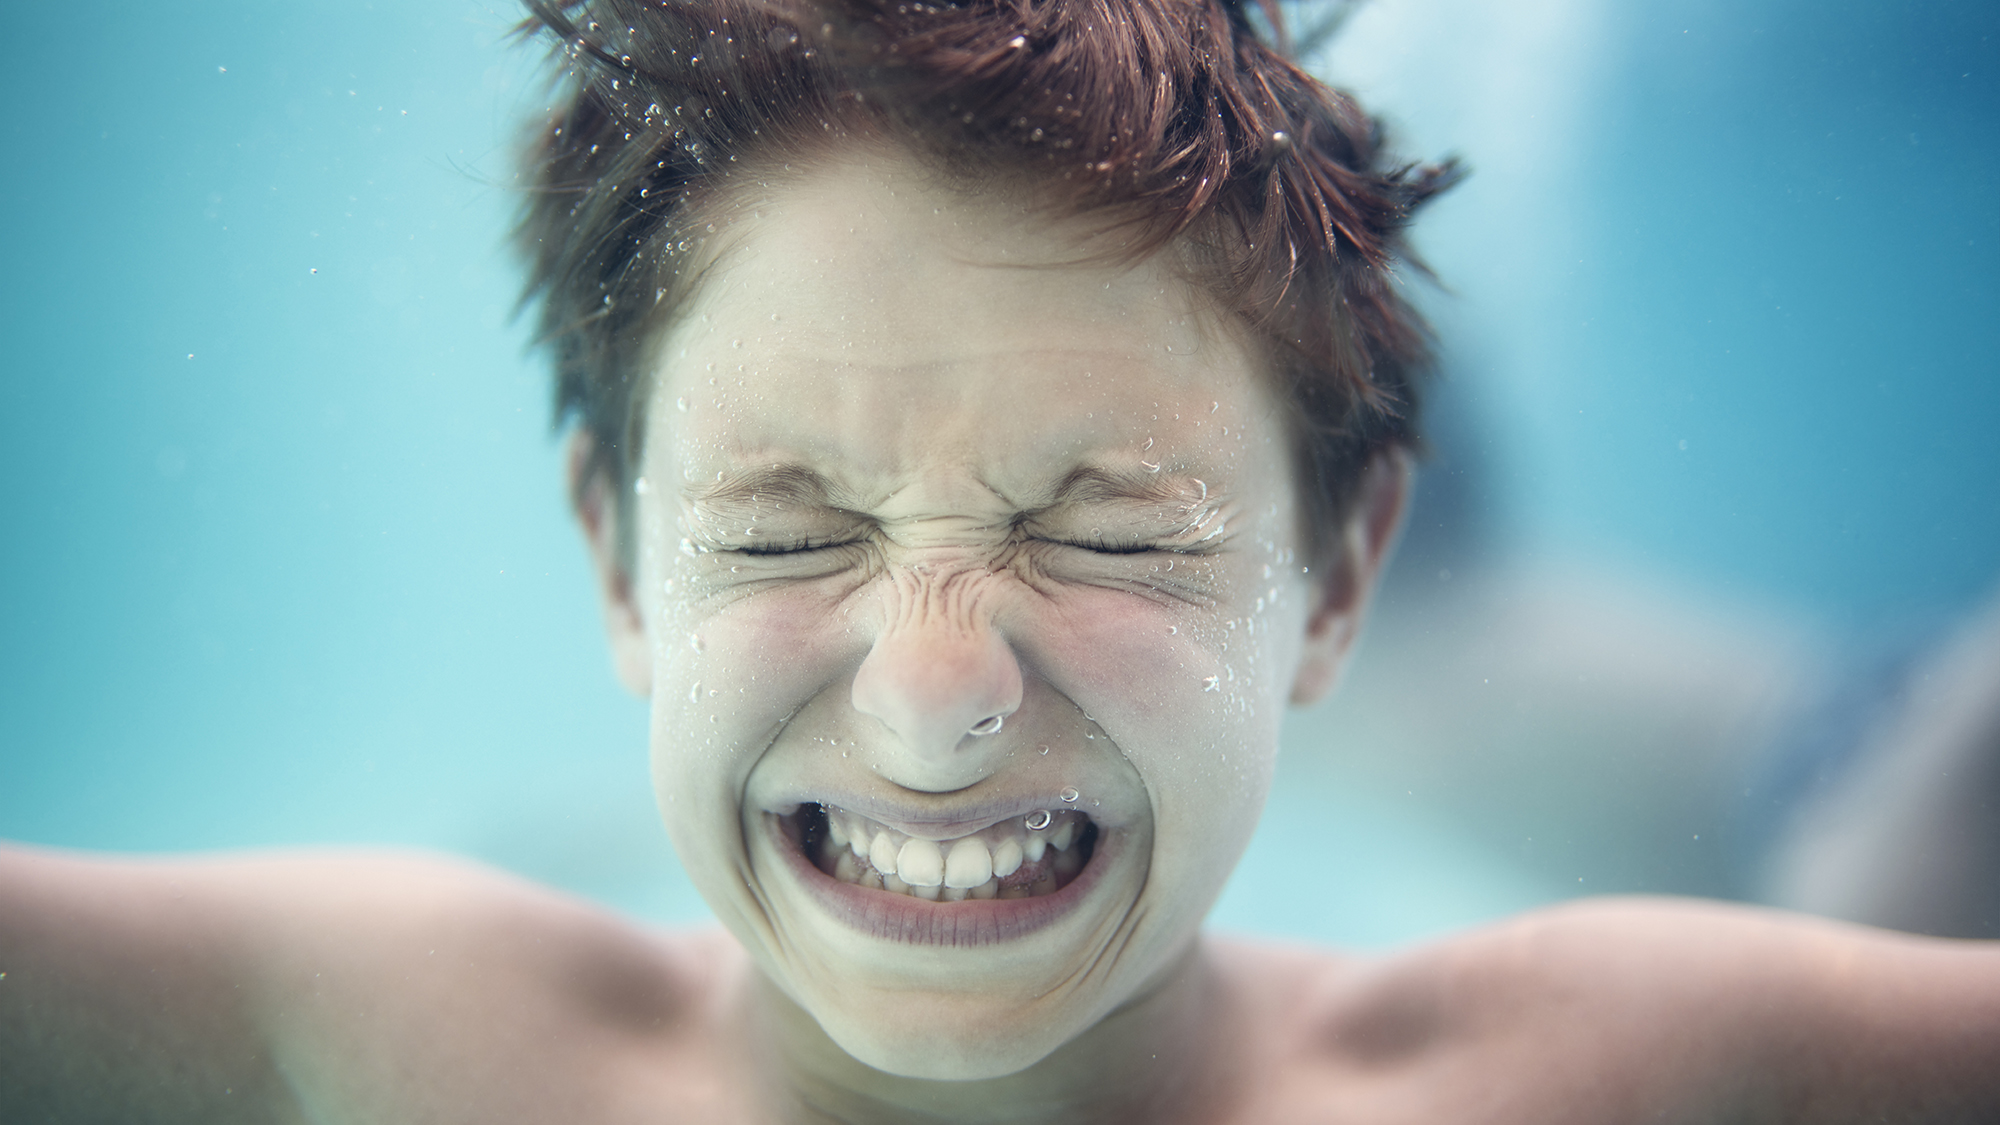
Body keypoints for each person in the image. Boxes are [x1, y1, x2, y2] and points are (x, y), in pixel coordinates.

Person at [3, 1, 1997, 1120]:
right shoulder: (388, 1041)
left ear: (1339, 580)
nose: (934, 695)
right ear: (616, 565)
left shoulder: (1600, 1078)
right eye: (785, 528)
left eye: (1111, 529)